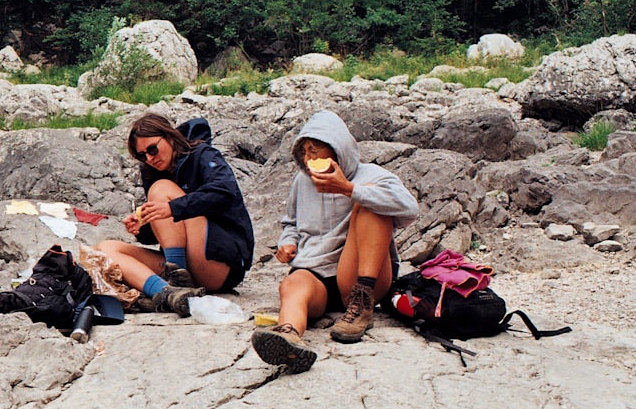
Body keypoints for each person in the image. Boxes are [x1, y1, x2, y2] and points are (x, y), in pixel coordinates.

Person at [251, 110, 418, 372]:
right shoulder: (301, 182)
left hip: (360, 278)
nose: (310, 158)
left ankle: (361, 307)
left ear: (338, 151)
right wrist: (288, 242)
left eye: (316, 150)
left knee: (371, 205)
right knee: (292, 284)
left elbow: (410, 210)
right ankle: (289, 337)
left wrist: (349, 190)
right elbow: (290, 223)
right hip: (316, 274)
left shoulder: (372, 175)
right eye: (305, 151)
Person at [97, 113, 255, 317]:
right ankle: (168, 293)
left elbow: (225, 192)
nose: (150, 159)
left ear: (170, 137)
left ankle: (177, 279)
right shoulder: (152, 171)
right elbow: (169, 232)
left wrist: (172, 208)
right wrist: (142, 228)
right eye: (142, 155)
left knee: (161, 189)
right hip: (184, 265)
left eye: (152, 149)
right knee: (104, 250)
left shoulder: (202, 155)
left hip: (220, 261)